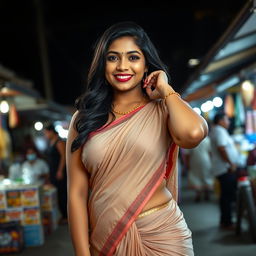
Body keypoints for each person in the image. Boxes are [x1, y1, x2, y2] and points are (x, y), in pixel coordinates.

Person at [66, 21, 208, 256]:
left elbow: (192, 135)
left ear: (146, 64)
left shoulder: (163, 110)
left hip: (163, 233)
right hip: (108, 237)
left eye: (133, 57)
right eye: (113, 58)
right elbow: (76, 194)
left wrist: (166, 89)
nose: (122, 66)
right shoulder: (84, 119)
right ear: (103, 64)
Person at [210, 112, 239, 229]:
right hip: (225, 168)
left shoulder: (217, 131)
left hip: (222, 168)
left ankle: (225, 220)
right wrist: (230, 163)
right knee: (227, 196)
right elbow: (221, 148)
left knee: (225, 196)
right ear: (220, 121)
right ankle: (227, 222)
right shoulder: (220, 131)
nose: (229, 122)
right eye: (227, 120)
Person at [44, 123, 68, 225]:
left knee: (63, 194)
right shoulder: (51, 142)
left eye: (46, 133)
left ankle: (67, 216)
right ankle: (63, 215)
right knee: (57, 194)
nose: (45, 135)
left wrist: (60, 170)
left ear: (51, 132)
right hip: (53, 172)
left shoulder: (59, 142)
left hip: (59, 172)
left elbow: (64, 156)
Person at [184, 136, 213, 202]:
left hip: (194, 161)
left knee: (196, 176)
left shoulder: (190, 139)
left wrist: (187, 164)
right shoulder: (207, 139)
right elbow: (210, 152)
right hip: (206, 160)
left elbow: (187, 154)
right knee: (206, 176)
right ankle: (207, 193)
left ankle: (198, 194)